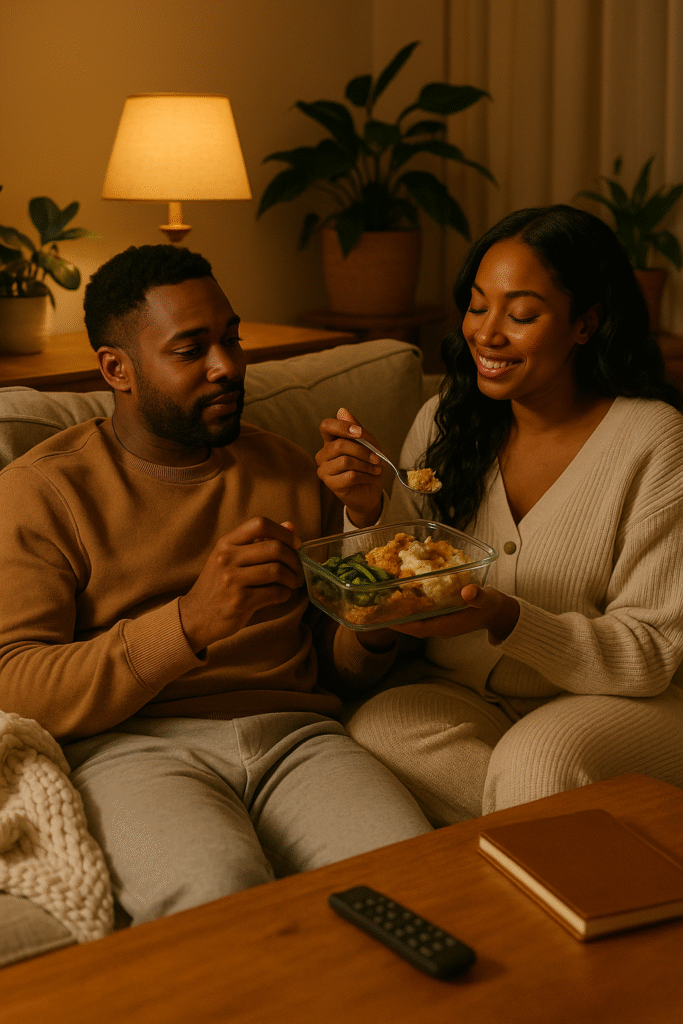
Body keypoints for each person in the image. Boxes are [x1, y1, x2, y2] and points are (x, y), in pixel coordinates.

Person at [0, 244, 432, 926]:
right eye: (190, 349)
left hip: (299, 738)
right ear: (118, 370)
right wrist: (189, 623)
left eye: (230, 338)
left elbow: (339, 666)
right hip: (133, 746)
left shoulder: (290, 470)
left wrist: (376, 603)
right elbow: (15, 683)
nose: (228, 366)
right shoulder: (43, 490)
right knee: (222, 904)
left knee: (414, 883)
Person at [316, 204, 683, 826]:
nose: (487, 333)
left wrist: (507, 616)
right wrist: (366, 508)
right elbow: (385, 602)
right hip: (469, 699)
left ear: (584, 323)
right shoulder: (444, 422)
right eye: (478, 306)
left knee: (537, 759)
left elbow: (649, 653)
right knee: (380, 728)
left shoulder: (652, 440)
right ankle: (583, 834)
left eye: (520, 315)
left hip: (622, 700)